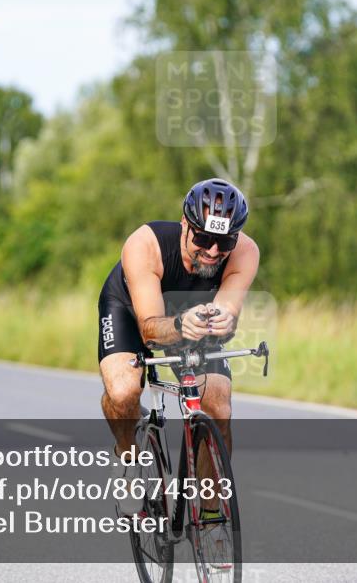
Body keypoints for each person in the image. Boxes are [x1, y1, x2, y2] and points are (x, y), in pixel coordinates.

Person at [97, 179, 260, 519]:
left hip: (193, 315)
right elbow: (149, 329)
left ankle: (212, 517)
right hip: (133, 310)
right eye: (202, 238)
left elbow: (227, 313)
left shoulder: (245, 252)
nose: (213, 251)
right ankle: (127, 460)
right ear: (185, 224)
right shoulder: (145, 245)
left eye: (225, 241)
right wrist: (179, 324)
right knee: (124, 391)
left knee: (218, 405)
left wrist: (222, 322)